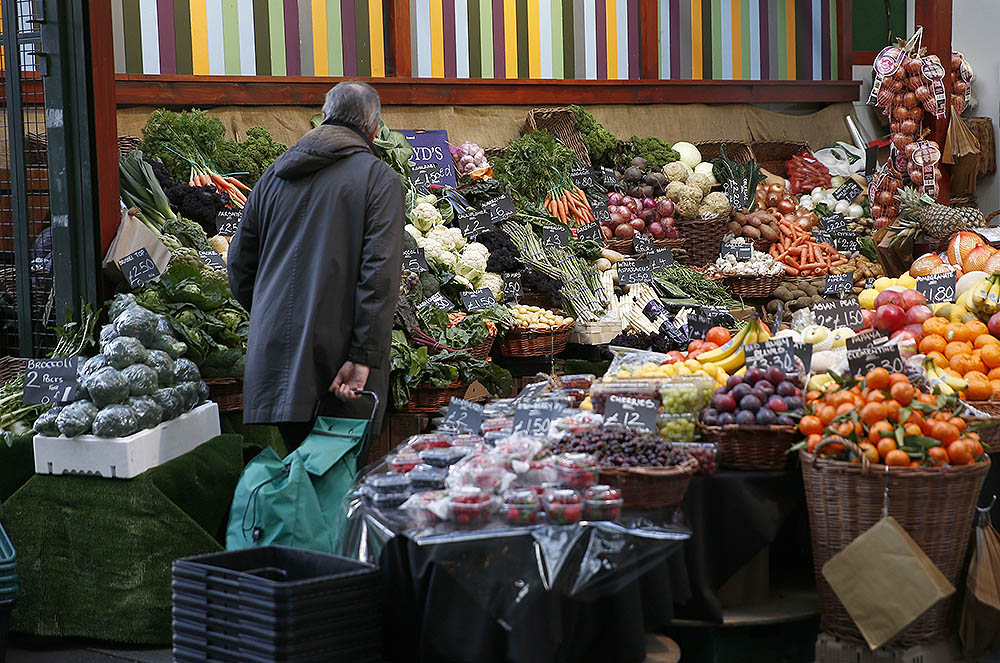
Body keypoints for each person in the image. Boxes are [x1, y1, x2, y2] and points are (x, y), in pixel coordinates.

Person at [228, 81, 404, 453]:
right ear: (373, 131)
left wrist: (272, 321)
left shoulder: (272, 176)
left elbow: (240, 268)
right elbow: (379, 279)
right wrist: (363, 359)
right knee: (335, 487)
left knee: (300, 483)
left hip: (275, 363)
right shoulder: (378, 180)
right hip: (339, 368)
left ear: (323, 118)